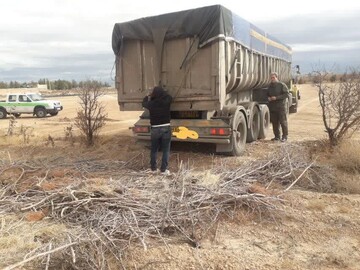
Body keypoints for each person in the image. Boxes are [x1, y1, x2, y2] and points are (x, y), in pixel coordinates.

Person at [142, 86, 173, 175]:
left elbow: (144, 103)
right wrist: (164, 93)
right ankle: (163, 170)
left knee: (154, 150)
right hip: (166, 127)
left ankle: (153, 169)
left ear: (154, 94)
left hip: (155, 128)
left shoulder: (151, 104)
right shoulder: (166, 102)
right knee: (166, 150)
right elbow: (170, 97)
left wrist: (148, 96)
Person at [267, 72, 289, 142]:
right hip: (273, 107)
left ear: (276, 77)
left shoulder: (281, 85)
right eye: (271, 78)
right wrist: (268, 98)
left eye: (273, 77)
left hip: (281, 107)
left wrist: (276, 98)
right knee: (275, 123)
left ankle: (284, 136)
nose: (272, 79)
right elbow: (267, 94)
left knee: (283, 122)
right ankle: (277, 136)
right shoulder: (270, 86)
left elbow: (286, 94)